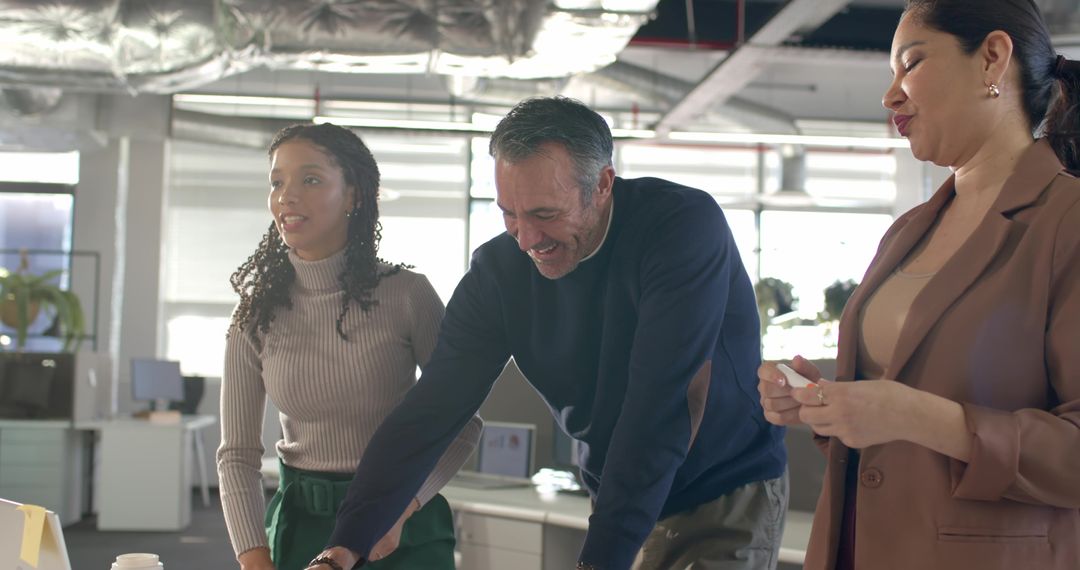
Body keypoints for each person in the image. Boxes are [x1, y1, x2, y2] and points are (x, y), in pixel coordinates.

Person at [306, 96, 788, 570]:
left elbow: (661, 405)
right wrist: (345, 545)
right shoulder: (498, 274)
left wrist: (599, 561)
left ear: (601, 184)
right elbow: (432, 407)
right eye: (508, 213)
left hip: (722, 487)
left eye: (545, 214)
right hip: (618, 492)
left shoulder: (680, 228)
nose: (527, 239)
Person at [758, 1, 1080, 569]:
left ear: (992, 58)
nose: (891, 95)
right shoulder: (907, 231)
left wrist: (918, 416)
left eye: (910, 64)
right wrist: (822, 404)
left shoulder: (1066, 222)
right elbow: (896, 415)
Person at [217, 122, 481, 570]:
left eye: (311, 179)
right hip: (302, 526)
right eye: (277, 182)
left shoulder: (408, 295)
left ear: (355, 195)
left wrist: (403, 508)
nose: (287, 196)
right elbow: (237, 456)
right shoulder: (254, 314)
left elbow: (462, 423)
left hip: (402, 528)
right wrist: (254, 559)